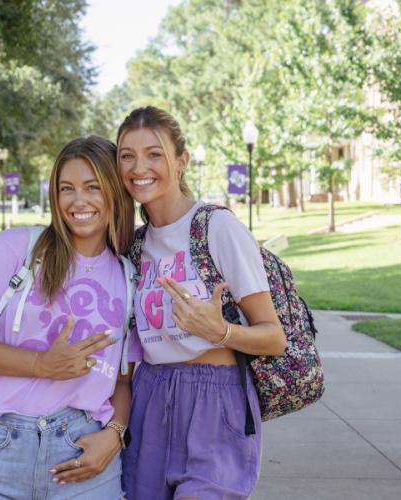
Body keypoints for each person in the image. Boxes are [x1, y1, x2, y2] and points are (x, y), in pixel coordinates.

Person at [0, 136, 137, 499]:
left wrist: (114, 435)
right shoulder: (14, 248)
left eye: (92, 187)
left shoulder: (129, 276)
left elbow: (122, 381)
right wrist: (41, 364)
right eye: (67, 188)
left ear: (114, 192)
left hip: (82, 452)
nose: (78, 201)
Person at [116, 106, 288, 500]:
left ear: (181, 161)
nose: (139, 166)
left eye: (154, 153)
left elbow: (273, 337)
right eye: (128, 155)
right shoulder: (135, 244)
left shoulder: (217, 228)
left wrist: (221, 331)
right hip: (151, 396)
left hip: (215, 400)